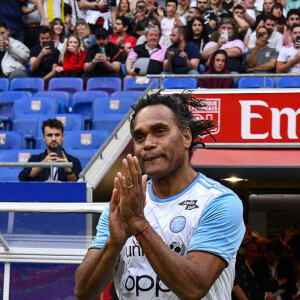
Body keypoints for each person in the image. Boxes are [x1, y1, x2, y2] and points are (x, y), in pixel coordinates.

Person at [74, 91, 245, 300]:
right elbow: (83, 292)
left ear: (186, 137)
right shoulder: (123, 205)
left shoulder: (218, 202)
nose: (147, 144)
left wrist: (139, 225)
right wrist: (114, 242)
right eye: (140, 136)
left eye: (159, 131)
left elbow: (194, 288)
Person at [232, 225, 277, 300]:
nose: (247, 236)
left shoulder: (242, 259)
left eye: (248, 233)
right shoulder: (233, 258)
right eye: (243, 233)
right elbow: (235, 287)